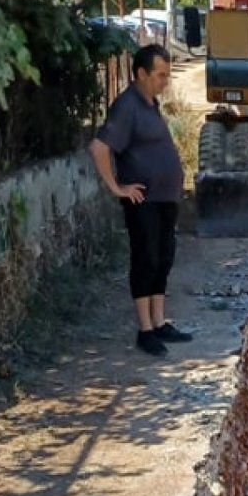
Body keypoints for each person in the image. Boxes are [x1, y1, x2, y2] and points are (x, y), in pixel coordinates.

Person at [89, 44, 193, 357]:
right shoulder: (127, 106)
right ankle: (145, 330)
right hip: (143, 200)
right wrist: (117, 187)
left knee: (164, 257)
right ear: (141, 74)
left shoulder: (150, 104)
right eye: (160, 75)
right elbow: (99, 148)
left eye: (167, 75)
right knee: (146, 259)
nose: (166, 81)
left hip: (164, 198)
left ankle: (160, 322)